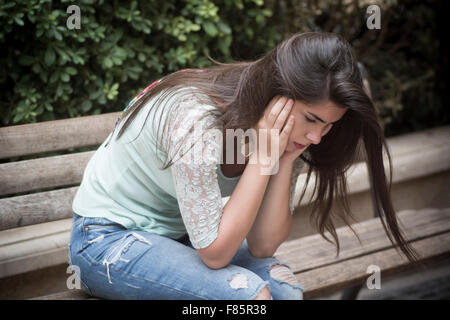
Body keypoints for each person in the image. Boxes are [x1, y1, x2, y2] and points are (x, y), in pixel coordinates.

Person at [68, 32, 419, 300]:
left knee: (282, 286)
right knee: (247, 296)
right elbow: (217, 255)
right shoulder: (196, 118)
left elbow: (264, 246)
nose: (316, 137)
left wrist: (281, 160)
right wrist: (263, 159)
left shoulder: (285, 135)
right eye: (311, 119)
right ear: (276, 94)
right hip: (106, 241)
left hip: (177, 239)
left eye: (327, 126)